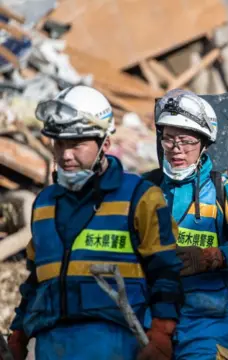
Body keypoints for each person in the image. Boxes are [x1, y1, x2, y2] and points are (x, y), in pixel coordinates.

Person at [7, 85, 182, 360]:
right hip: (52, 344)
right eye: (59, 143)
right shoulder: (44, 203)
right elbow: (36, 280)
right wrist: (18, 335)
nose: (65, 155)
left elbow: (166, 270)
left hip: (118, 342)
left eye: (76, 144)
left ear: (105, 144)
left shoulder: (141, 197)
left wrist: (161, 332)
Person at [152, 89, 228, 359]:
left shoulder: (226, 190)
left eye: (186, 141)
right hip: (154, 318)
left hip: (209, 321)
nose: (176, 149)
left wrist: (213, 257)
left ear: (204, 143)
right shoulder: (146, 189)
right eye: (168, 140)